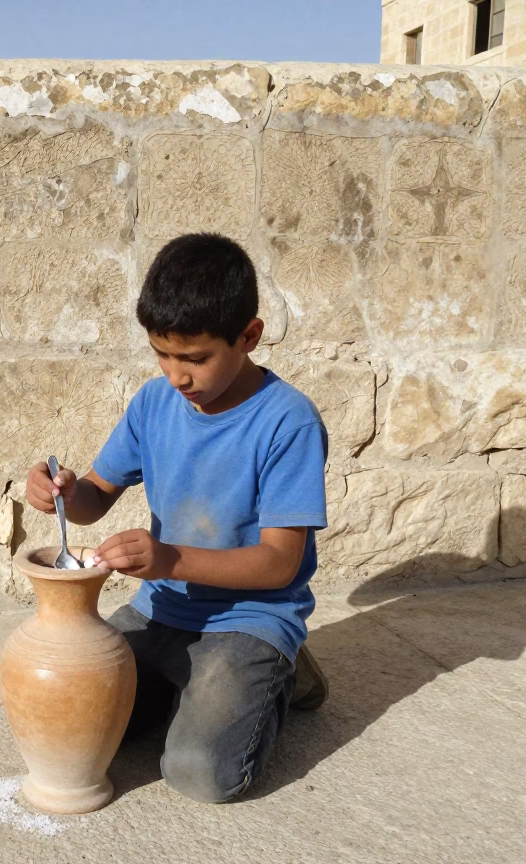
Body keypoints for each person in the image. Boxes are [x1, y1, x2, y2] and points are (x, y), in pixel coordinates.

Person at [25, 233, 330, 803]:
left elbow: (279, 564)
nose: (176, 375)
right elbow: (96, 494)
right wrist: (63, 492)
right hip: (159, 611)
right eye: (161, 354)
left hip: (249, 616)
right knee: (74, 726)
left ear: (249, 336)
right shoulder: (153, 403)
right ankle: (192, 686)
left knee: (198, 774)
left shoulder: (289, 421)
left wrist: (167, 558)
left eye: (194, 358)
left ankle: (282, 672)